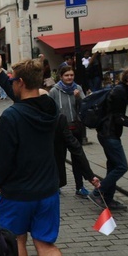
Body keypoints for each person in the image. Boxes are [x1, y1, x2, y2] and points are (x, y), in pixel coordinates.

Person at [0, 55, 75, 256]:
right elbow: (28, 97)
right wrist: (0, 71)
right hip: (47, 190)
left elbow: (4, 159)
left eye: (13, 80)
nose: (10, 84)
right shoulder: (49, 106)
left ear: (22, 83)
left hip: (17, 193)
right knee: (46, 244)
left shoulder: (12, 116)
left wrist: (2, 181)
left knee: (17, 242)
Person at [88, 65, 128, 211]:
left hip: (109, 133)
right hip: (109, 134)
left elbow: (119, 116)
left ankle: (107, 199)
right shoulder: (120, 91)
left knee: (113, 166)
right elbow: (118, 118)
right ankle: (98, 192)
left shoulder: (123, 89)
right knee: (122, 166)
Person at [48, 65, 90, 196]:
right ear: (61, 77)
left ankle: (79, 187)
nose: (69, 78)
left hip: (75, 127)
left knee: (77, 158)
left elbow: (85, 106)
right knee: (59, 159)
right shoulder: (54, 91)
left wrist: (78, 98)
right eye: (66, 75)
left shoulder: (78, 89)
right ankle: (57, 185)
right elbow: (50, 109)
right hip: (60, 130)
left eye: (71, 75)